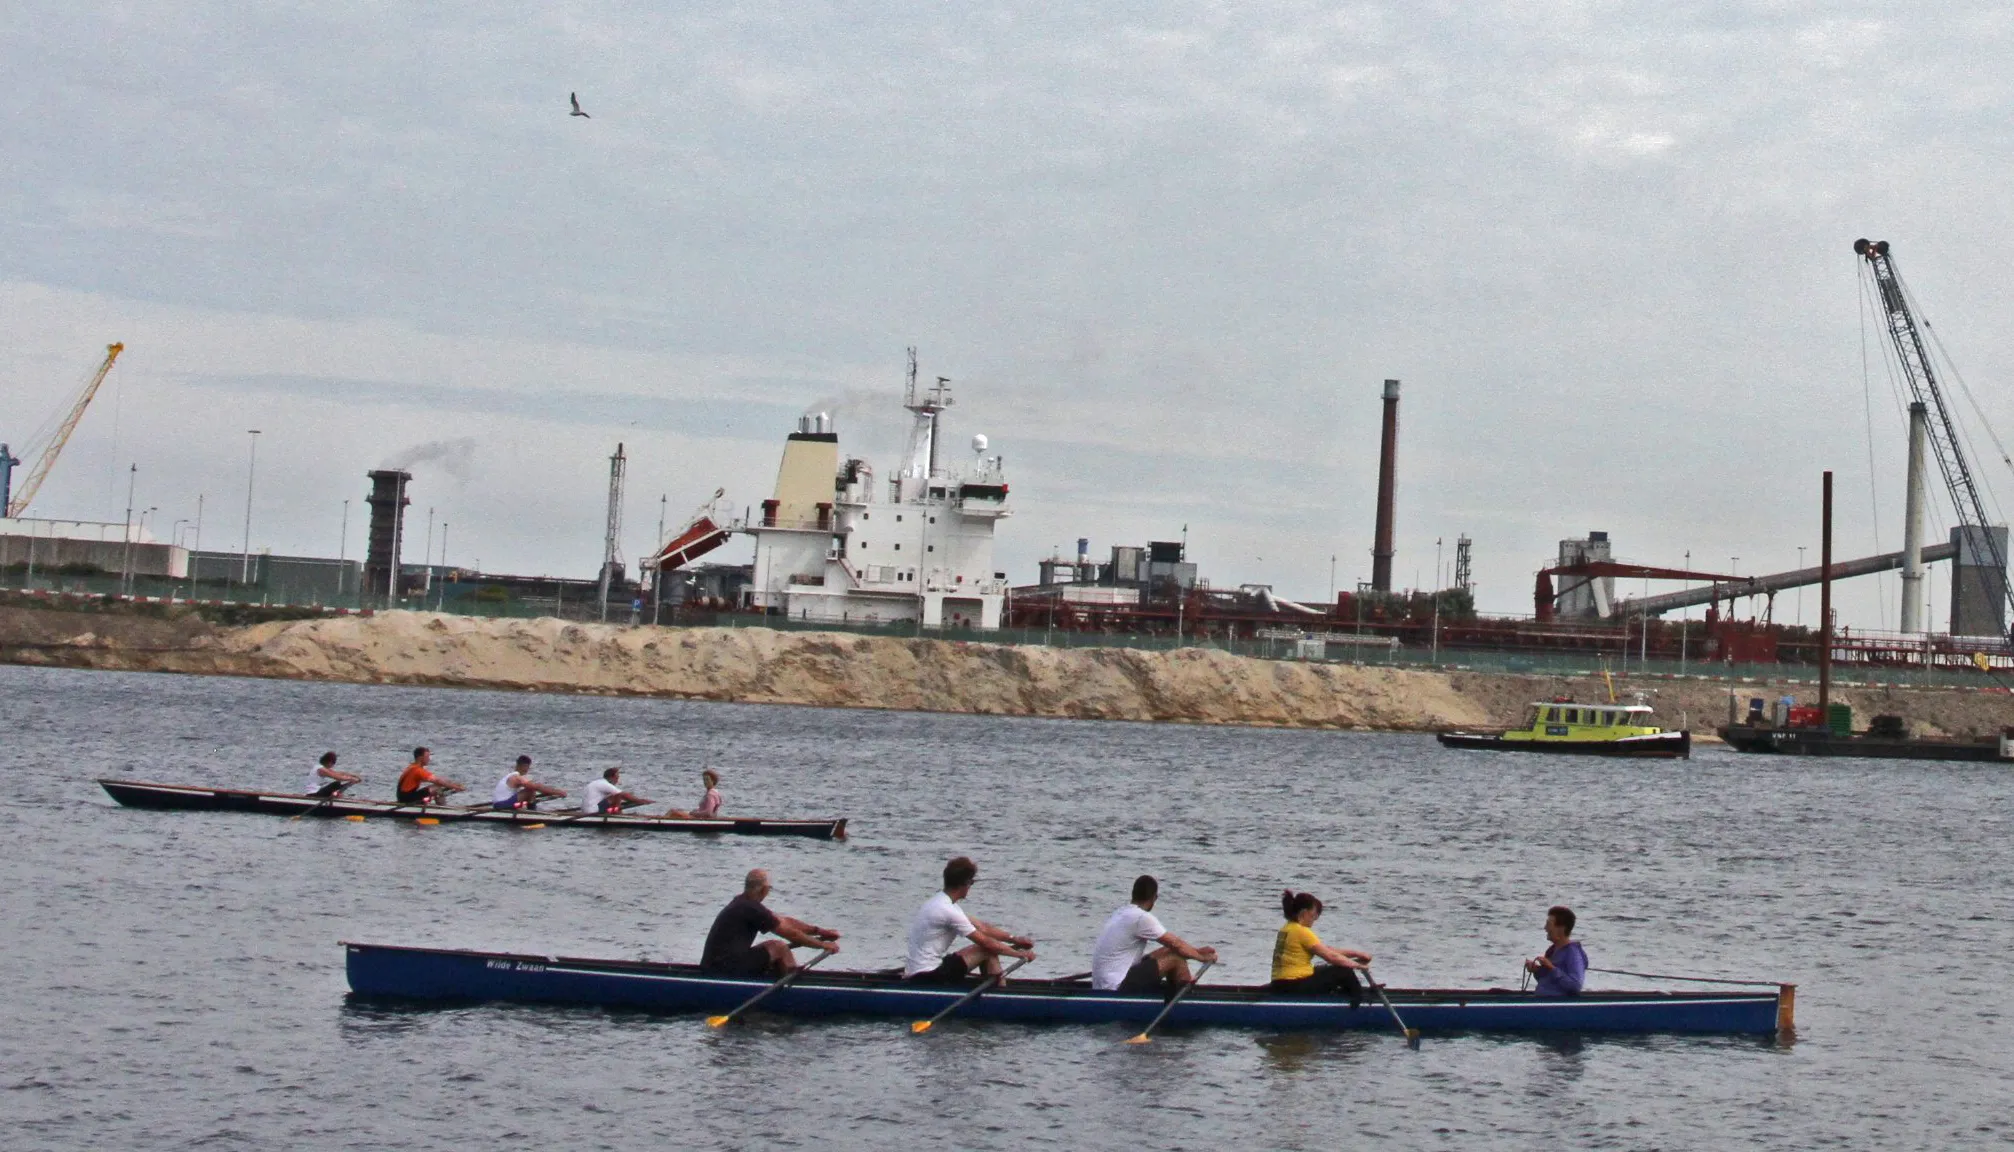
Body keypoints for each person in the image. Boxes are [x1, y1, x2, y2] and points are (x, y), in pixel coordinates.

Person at [904, 856, 1036, 984]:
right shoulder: (947, 910)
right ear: (965, 884)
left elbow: (983, 928)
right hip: (926, 976)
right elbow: (986, 943)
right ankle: (1000, 997)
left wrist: (1015, 940)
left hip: (922, 970)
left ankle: (996, 994)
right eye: (971, 882)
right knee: (987, 950)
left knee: (988, 950)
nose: (971, 887)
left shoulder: (941, 902)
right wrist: (1019, 954)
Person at [699, 869, 841, 977]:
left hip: (717, 965)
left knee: (774, 948)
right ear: (764, 889)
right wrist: (823, 945)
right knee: (778, 947)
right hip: (722, 969)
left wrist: (820, 932)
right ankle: (794, 985)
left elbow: (785, 922)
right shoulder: (750, 908)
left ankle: (784, 975)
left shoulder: (743, 903)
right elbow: (792, 935)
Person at [1091, 874, 1219, 994]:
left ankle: (1177, 995)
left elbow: (1174, 946)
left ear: (1133, 894)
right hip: (1116, 987)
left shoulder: (1121, 912)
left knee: (1168, 950)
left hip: (1104, 983)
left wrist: (1196, 951)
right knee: (1175, 958)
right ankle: (1187, 1003)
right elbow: (1176, 943)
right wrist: (1202, 958)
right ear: (1154, 897)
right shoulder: (1141, 917)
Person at [1268, 889, 1371, 1006]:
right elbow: (1331, 956)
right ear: (1304, 912)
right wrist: (1358, 965)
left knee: (1327, 968)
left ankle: (1343, 995)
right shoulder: (1302, 932)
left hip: (1280, 983)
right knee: (1343, 971)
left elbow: (1328, 951)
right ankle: (1357, 1003)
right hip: (1293, 985)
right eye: (1314, 914)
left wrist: (1358, 954)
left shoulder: (1287, 928)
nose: (1315, 918)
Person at [1524, 905, 1588, 996]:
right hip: (1541, 1001)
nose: (1545, 928)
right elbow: (1548, 981)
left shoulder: (1573, 953)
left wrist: (1552, 968)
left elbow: (1575, 986)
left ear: (1561, 929)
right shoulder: (1551, 951)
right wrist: (1536, 970)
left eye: (1549, 925)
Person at [491, 756, 566, 811]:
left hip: (499, 804)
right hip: (501, 805)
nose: (528, 769)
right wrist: (558, 792)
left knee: (530, 789)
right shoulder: (516, 777)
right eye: (528, 766)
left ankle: (530, 809)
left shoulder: (510, 775)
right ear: (524, 766)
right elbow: (536, 787)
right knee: (530, 790)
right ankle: (533, 812)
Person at [395, 747, 466, 806]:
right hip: (407, 799)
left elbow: (437, 780)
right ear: (420, 758)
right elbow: (437, 781)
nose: (429, 759)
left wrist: (451, 785)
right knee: (438, 787)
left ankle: (442, 807)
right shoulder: (418, 770)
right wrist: (456, 787)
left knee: (443, 783)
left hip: (404, 796)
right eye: (427, 757)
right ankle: (443, 808)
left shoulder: (412, 767)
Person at [581, 766, 651, 814]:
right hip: (593, 811)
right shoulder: (604, 784)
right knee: (617, 795)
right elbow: (621, 794)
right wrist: (641, 801)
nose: (617, 781)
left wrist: (636, 800)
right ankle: (617, 812)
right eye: (617, 778)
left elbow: (623, 795)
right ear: (611, 777)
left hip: (586, 810)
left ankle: (616, 811)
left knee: (616, 795)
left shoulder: (598, 782)